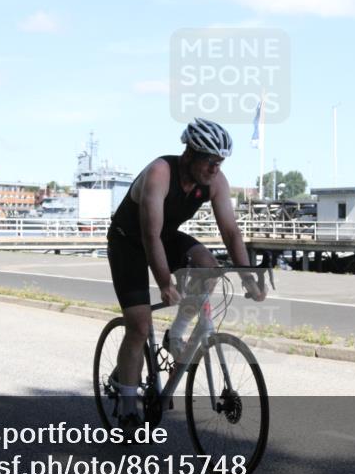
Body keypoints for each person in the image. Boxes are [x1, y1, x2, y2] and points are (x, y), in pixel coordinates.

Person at [106, 118, 266, 427]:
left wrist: (249, 277)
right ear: (190, 154)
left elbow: (231, 232)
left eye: (220, 162)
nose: (215, 169)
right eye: (210, 161)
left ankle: (176, 333)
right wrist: (165, 283)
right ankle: (127, 408)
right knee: (139, 326)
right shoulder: (160, 173)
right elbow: (149, 236)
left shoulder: (215, 181)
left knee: (210, 268)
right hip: (129, 242)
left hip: (164, 236)